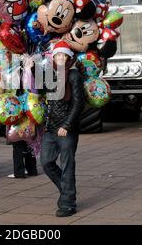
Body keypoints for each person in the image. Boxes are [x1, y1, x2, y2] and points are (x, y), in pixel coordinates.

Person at [41, 41, 85, 218]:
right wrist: (29, 69)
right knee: (46, 163)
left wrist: (67, 125)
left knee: (67, 166)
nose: (60, 58)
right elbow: (39, 90)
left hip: (67, 129)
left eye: (63, 55)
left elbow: (78, 103)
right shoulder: (50, 74)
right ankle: (67, 191)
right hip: (50, 128)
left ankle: (68, 203)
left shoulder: (74, 75)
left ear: (68, 57)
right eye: (57, 55)